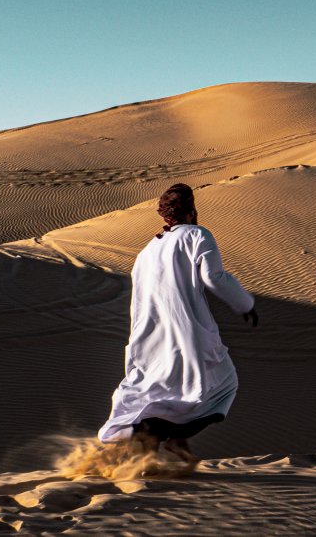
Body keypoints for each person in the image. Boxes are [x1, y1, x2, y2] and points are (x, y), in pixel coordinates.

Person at [97, 183, 258, 462]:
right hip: (187, 331)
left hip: (149, 336)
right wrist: (244, 304)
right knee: (223, 383)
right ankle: (176, 441)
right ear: (191, 209)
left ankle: (142, 457)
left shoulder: (148, 250)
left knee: (157, 394)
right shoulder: (197, 235)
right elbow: (213, 277)